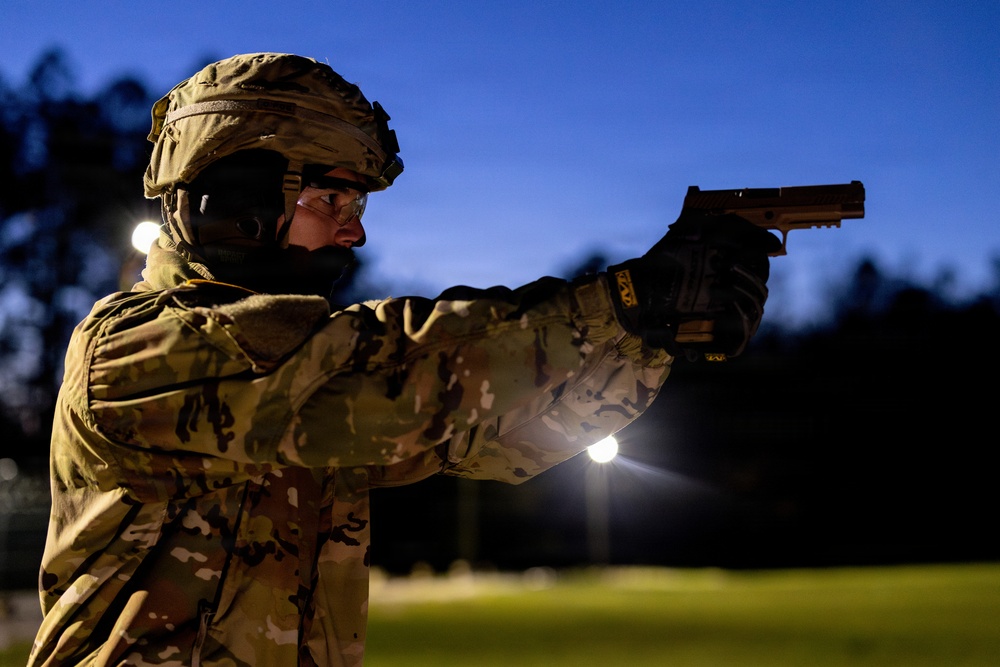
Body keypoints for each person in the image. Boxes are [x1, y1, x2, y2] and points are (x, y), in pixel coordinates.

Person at [29, 53, 777, 666]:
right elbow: (404, 380)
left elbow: (504, 436)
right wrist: (615, 301)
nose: (353, 238)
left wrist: (646, 339)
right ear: (238, 197)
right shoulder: (131, 349)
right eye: (332, 203)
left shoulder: (325, 389)